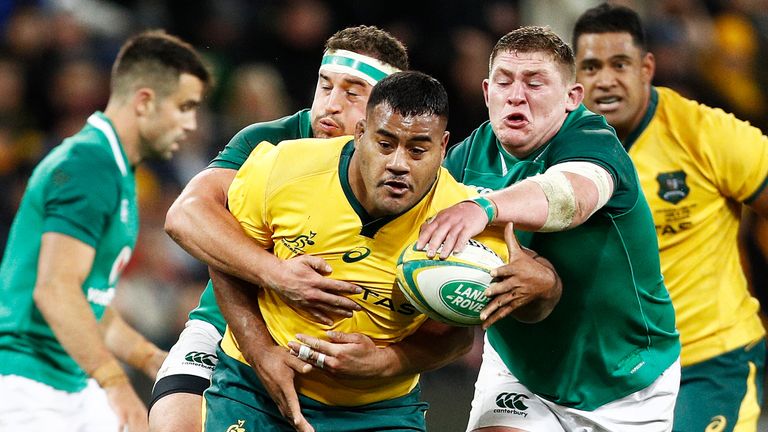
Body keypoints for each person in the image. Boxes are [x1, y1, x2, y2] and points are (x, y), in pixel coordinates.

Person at [205, 70, 530, 432]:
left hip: (380, 410)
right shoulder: (284, 166)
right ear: (360, 133)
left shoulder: (466, 225)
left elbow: (454, 337)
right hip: (254, 389)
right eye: (385, 143)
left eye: (418, 149)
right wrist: (261, 352)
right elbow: (225, 260)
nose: (398, 164)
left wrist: (388, 362)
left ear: (443, 147)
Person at [417, 26, 681, 431]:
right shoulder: (465, 160)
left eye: (535, 83)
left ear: (572, 98)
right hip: (521, 372)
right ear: (487, 92)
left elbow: (568, 197)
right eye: (504, 82)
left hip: (625, 380)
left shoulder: (594, 141)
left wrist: (482, 208)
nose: (516, 95)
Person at [150, 25, 410, 432]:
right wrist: (278, 274)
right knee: (174, 424)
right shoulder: (271, 140)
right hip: (225, 331)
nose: (330, 105)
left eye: (353, 92)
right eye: (325, 86)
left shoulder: (405, 169)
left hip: (341, 360)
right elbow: (184, 215)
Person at [0, 30, 211, 432]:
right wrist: (115, 384)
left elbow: (87, 302)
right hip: (27, 387)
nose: (191, 124)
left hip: (67, 383)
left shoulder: (113, 167)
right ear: (145, 101)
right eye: (184, 107)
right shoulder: (89, 165)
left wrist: (151, 358)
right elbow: (55, 289)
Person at [572, 4, 768, 431]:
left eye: (619, 64)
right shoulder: (558, 152)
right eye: (591, 66)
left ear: (646, 67)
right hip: (609, 372)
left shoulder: (702, 133)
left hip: (709, 363)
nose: (605, 80)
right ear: (575, 80)